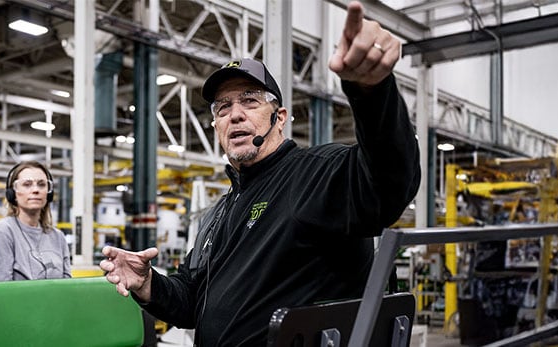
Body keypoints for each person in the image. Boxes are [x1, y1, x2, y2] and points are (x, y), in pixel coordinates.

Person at [99, 3, 420, 346]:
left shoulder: (316, 175)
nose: (234, 115)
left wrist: (373, 92)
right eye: (223, 108)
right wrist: (149, 284)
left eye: (250, 101)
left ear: (279, 118)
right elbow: (191, 300)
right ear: (216, 125)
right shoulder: (220, 214)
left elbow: (388, 182)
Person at [0, 161, 73, 281]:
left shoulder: (58, 237)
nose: (35, 190)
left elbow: (66, 286)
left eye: (41, 184)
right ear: (13, 193)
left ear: (48, 193)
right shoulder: (1, 233)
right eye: (27, 184)